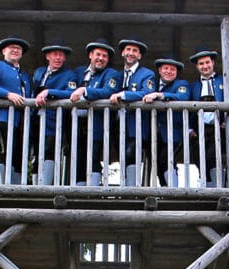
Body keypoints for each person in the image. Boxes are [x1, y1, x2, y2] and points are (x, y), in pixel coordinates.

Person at [0, 36, 32, 184]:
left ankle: (17, 186)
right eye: (12, 47)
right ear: (4, 50)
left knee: (19, 153)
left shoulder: (25, 76)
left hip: (22, 121)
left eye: (18, 48)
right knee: (5, 151)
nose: (15, 50)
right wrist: (7, 95)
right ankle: (5, 183)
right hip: (3, 117)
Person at [69, 39, 121, 185]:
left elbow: (108, 91)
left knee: (93, 156)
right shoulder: (79, 72)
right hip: (76, 124)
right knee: (77, 157)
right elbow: (67, 90)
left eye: (105, 56)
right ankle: (78, 190)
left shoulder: (111, 74)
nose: (101, 58)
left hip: (97, 125)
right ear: (90, 55)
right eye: (98, 54)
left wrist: (84, 90)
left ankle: (92, 190)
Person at [109, 38, 155, 186]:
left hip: (135, 123)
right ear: (123, 53)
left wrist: (123, 95)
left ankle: (133, 189)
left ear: (139, 56)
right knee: (121, 154)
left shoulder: (147, 74)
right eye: (128, 50)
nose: (131, 53)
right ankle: (124, 187)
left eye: (135, 51)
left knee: (132, 153)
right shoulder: (117, 75)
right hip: (117, 122)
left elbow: (146, 93)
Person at [31, 42, 78, 185]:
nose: (58, 58)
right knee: (36, 152)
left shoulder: (69, 75)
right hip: (35, 118)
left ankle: (45, 185)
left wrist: (49, 92)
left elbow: (71, 93)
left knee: (49, 150)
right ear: (47, 56)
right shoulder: (39, 72)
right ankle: (35, 186)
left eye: (61, 55)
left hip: (53, 120)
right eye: (55, 54)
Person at [141, 57, 191, 187]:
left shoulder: (181, 84)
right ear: (159, 70)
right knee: (156, 162)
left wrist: (160, 95)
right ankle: (165, 189)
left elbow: (183, 97)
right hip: (152, 132)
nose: (169, 71)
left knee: (167, 159)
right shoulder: (151, 84)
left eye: (172, 69)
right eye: (166, 68)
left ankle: (172, 190)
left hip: (173, 132)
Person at [186, 48, 228, 187]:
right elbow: (188, 107)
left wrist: (227, 120)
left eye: (207, 62)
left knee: (213, 156)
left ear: (213, 63)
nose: (205, 66)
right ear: (197, 66)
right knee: (199, 157)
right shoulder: (194, 86)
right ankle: (206, 185)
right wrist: (190, 128)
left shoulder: (224, 80)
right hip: (200, 128)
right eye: (201, 64)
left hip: (218, 126)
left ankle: (217, 186)